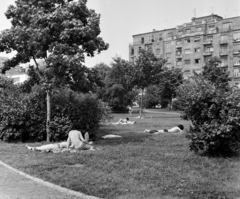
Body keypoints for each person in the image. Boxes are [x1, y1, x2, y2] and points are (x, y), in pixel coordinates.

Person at [26, 130, 98, 152]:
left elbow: (68, 143)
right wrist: (88, 142)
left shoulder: (70, 135)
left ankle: (34, 148)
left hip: (57, 146)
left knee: (47, 147)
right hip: (57, 146)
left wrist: (68, 148)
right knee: (46, 147)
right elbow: (83, 141)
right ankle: (34, 148)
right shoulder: (78, 133)